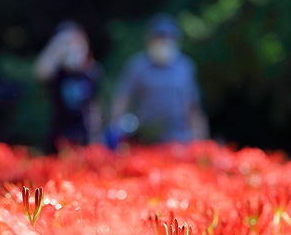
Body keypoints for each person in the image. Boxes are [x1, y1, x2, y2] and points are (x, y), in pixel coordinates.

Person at [110, 13, 209, 144]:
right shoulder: (137, 66)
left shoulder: (185, 67)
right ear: (149, 40)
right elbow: (122, 98)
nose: (164, 42)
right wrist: (114, 128)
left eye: (168, 38)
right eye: (159, 37)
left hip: (179, 140)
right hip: (146, 138)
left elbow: (193, 106)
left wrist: (202, 139)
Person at [34, 21, 102, 152]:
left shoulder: (92, 71)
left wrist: (96, 137)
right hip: (58, 136)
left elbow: (95, 107)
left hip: (83, 136)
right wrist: (57, 45)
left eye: (77, 41)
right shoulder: (58, 72)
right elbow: (40, 72)